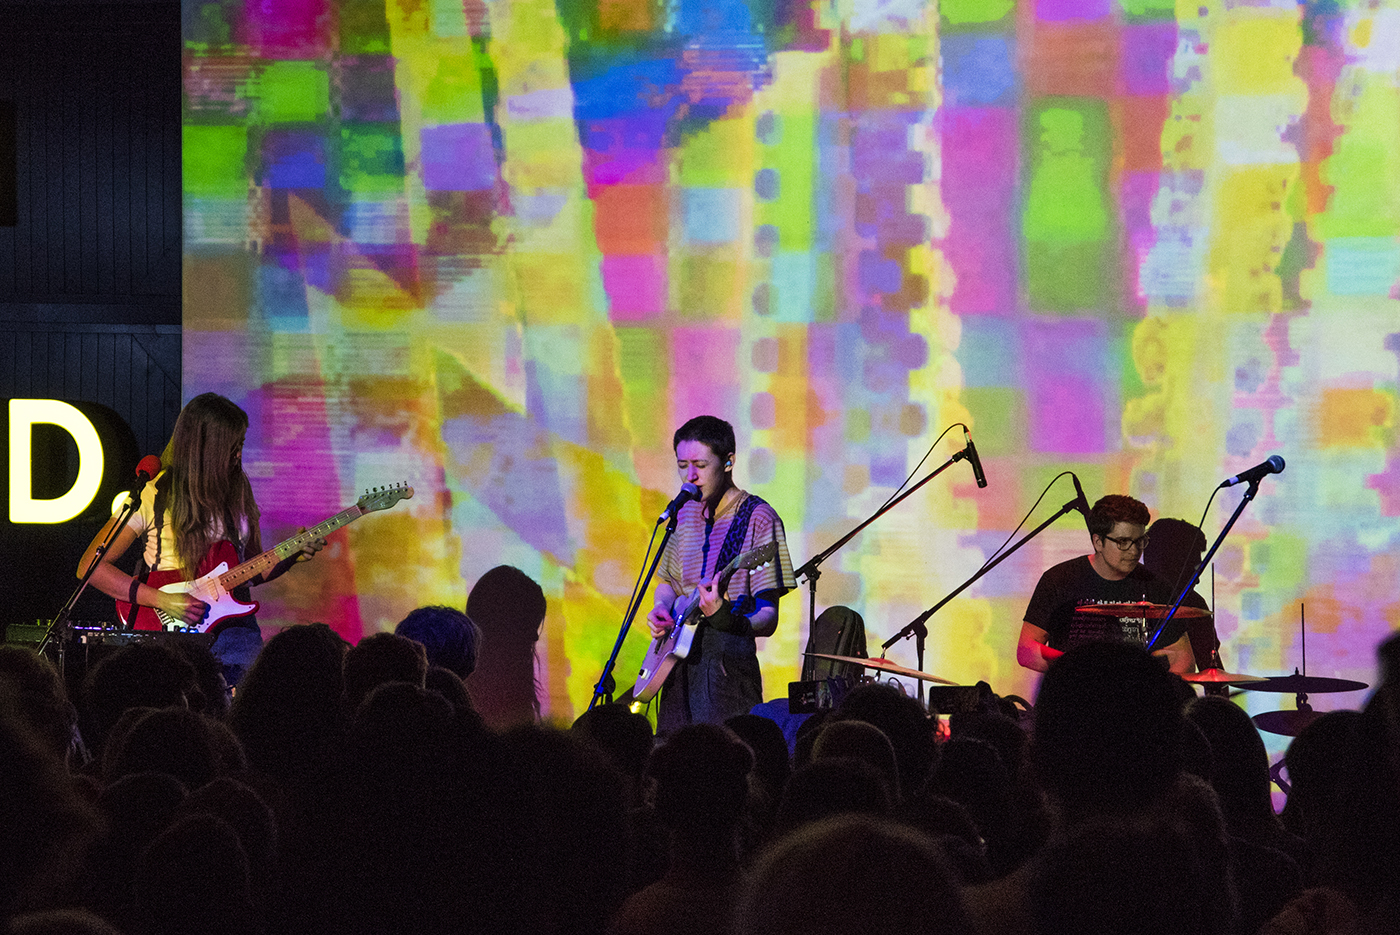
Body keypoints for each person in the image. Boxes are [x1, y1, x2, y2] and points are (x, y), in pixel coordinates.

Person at [77, 393, 324, 686]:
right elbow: (91, 566)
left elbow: (251, 570)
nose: (238, 455)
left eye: (241, 445)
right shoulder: (154, 494)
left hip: (236, 632)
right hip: (169, 630)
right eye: (232, 447)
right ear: (207, 448)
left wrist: (290, 556)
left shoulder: (239, 489)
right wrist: (162, 600)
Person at [646, 416, 795, 731]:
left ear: (728, 462)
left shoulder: (758, 518)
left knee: (721, 751)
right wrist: (661, 607)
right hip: (675, 668)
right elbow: (668, 583)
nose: (690, 476)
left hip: (726, 672)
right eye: (682, 465)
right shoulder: (683, 514)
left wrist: (727, 618)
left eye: (700, 465)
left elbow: (768, 617)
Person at [1017, 495, 1194, 674]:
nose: (1134, 551)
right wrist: (1074, 667)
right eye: (1123, 542)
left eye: (1140, 541)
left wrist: (1155, 686)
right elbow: (1026, 650)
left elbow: (1183, 658)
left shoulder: (1157, 587)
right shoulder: (1059, 580)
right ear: (1098, 542)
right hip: (1075, 686)